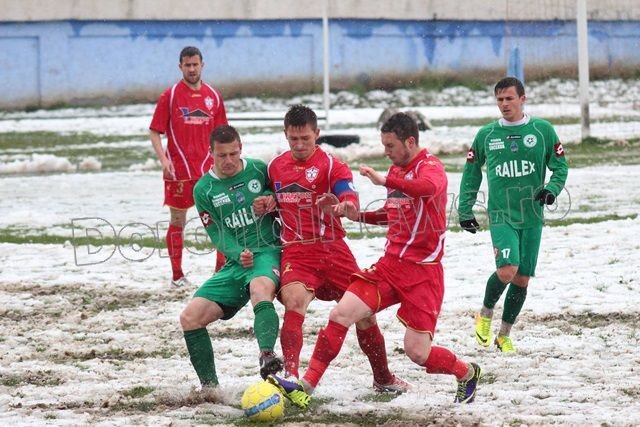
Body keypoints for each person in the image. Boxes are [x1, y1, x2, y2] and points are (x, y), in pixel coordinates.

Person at [294, 112, 481, 404]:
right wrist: (355, 214)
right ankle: (306, 386)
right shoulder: (397, 170)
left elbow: (428, 188)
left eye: (390, 146)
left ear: (410, 141)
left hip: (423, 274)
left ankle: (466, 372)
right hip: (389, 267)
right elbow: (391, 213)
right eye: (383, 146)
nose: (386, 152)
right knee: (341, 314)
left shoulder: (431, 167)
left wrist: (385, 181)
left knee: (418, 353)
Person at [254, 105, 408, 400]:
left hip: (334, 250)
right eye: (293, 139)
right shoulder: (274, 167)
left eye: (305, 139)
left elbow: (346, 192)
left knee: (364, 315)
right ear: (285, 135)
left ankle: (383, 377)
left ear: (318, 135)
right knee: (294, 302)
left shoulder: (331, 165)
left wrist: (347, 205)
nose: (299, 146)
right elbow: (269, 198)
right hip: (298, 252)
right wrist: (266, 202)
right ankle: (291, 377)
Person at [458, 76, 569, 353]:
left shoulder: (542, 130)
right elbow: (471, 173)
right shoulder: (487, 135)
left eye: (509, 98)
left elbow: (560, 166)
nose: (504, 104)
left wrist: (551, 189)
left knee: (522, 278)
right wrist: (465, 209)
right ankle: (485, 313)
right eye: (500, 99)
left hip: (532, 215)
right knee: (507, 271)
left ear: (523, 99)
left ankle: (504, 335)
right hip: (501, 215)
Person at [179, 125, 284, 390]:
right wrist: (237, 253)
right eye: (222, 155)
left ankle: (267, 355)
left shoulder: (260, 170)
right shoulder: (204, 188)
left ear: (241, 149)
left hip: (267, 253)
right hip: (235, 263)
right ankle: (210, 388)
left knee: (260, 289)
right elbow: (215, 231)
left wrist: (271, 199)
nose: (228, 161)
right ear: (210, 153)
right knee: (190, 317)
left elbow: (286, 197)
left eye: (233, 154)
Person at [150, 46, 228, 287]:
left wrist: (226, 163)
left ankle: (220, 274)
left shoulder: (213, 96)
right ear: (180, 66)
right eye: (187, 65)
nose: (192, 69)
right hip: (179, 171)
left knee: (221, 221)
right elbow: (154, 132)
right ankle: (177, 276)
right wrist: (164, 159)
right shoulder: (170, 95)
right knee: (177, 221)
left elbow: (223, 135)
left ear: (202, 65)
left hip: (208, 171)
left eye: (195, 65)